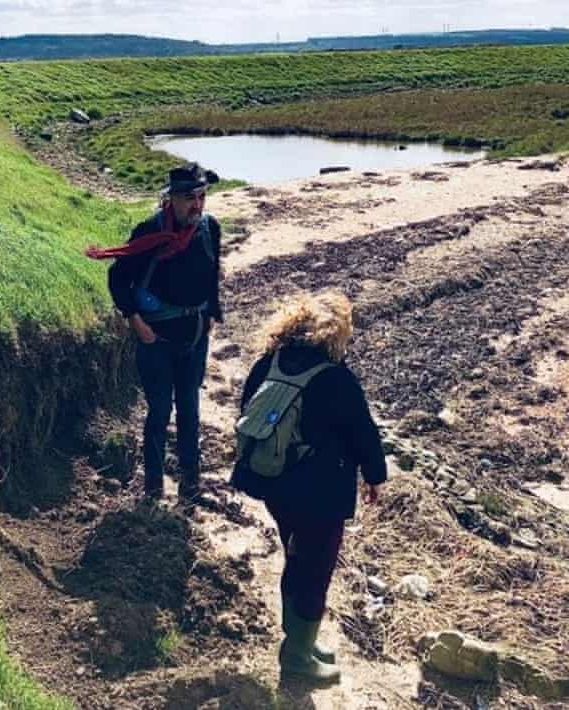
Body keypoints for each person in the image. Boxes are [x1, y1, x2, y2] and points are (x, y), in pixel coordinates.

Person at [232, 291, 386, 685]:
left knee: (296, 554)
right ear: (337, 335)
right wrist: (375, 476)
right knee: (315, 569)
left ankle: (299, 638)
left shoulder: (270, 361)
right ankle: (297, 656)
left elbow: (246, 408)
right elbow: (363, 432)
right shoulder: (335, 377)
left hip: (273, 485)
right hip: (320, 493)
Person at [85, 163, 222, 504]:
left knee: (190, 409)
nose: (197, 204)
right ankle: (153, 489)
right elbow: (118, 279)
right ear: (171, 199)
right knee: (160, 411)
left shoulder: (210, 229)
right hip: (155, 340)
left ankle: (191, 485)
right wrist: (136, 322)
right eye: (189, 197)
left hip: (194, 338)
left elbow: (213, 276)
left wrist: (211, 315)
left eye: (201, 196)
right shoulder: (149, 231)